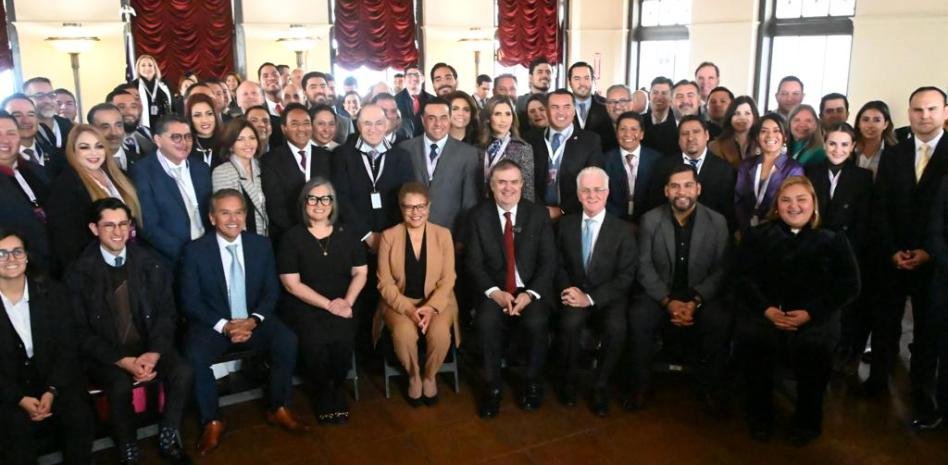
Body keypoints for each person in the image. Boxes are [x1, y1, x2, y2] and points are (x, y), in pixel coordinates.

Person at [180, 190, 308, 455]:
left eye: (238, 212)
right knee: (194, 354)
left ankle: (278, 407)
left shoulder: (260, 245)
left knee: (286, 340)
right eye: (225, 213)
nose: (233, 219)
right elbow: (190, 301)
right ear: (212, 218)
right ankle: (212, 420)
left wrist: (252, 321)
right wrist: (225, 326)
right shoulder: (195, 251)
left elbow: (271, 291)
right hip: (214, 324)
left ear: (246, 216)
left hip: (253, 320)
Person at [735, 176, 859, 445]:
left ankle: (807, 421)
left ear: (813, 204)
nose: (794, 206)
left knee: (815, 349)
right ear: (776, 206)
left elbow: (849, 284)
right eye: (786, 200)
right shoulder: (758, 235)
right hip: (767, 313)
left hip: (814, 317)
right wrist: (766, 309)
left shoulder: (833, 237)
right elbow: (742, 278)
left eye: (801, 199)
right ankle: (760, 417)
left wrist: (810, 313)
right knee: (754, 341)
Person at [67, 198, 192, 465]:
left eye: (123, 224)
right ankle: (128, 446)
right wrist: (121, 360)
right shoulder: (78, 271)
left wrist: (154, 353)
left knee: (182, 371)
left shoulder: (149, 262)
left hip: (147, 345)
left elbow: (166, 313)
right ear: (94, 228)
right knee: (119, 386)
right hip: (107, 353)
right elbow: (78, 331)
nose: (118, 232)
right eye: (109, 225)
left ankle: (169, 434)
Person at [868, 87, 948, 431]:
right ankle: (877, 380)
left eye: (931, 109)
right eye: (917, 109)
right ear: (909, 113)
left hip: (937, 260)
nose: (924, 115)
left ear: (945, 112)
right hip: (894, 255)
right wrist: (891, 250)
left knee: (928, 331)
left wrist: (930, 250)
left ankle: (923, 396)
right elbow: (881, 205)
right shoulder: (895, 153)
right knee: (885, 322)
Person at [631, 164, 731, 414]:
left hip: (700, 295)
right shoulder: (650, 220)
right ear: (666, 191)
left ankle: (711, 389)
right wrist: (668, 301)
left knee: (720, 320)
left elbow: (721, 270)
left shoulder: (718, 222)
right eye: (675, 186)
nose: (681, 191)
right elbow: (643, 266)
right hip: (661, 293)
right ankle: (639, 387)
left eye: (688, 185)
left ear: (698, 189)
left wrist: (695, 301)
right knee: (638, 316)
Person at [466, 160, 556, 418]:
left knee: (537, 323)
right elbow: (473, 263)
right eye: (502, 182)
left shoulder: (537, 214)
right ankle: (493, 387)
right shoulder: (477, 215)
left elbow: (549, 262)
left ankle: (532, 383)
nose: (508, 188)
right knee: (486, 322)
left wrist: (529, 294)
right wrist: (495, 293)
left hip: (530, 290)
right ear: (491, 186)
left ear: (522, 184)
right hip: (494, 290)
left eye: (514, 182)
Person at [0, 229, 94, 465]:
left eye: (17, 251)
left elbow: (68, 347)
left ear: (27, 256)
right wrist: (19, 398)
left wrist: (52, 390)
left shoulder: (53, 292)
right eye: (1, 253)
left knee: (78, 416)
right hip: (8, 387)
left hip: (52, 379)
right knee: (13, 430)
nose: (11, 259)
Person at [278, 178, 367, 423]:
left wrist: (347, 302)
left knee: (342, 343)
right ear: (304, 202)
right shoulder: (292, 237)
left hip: (344, 302)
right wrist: (328, 305)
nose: (319, 204)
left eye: (326, 198)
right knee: (315, 343)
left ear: (333, 203)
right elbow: (291, 284)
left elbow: (361, 272)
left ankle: (336, 387)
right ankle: (323, 393)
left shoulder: (348, 234)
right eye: (313, 199)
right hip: (306, 304)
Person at [554, 167, 637, 416]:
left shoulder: (623, 230)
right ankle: (568, 382)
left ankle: (600, 386)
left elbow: (626, 276)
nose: (592, 195)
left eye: (598, 190)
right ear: (578, 194)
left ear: (607, 192)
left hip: (608, 297)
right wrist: (567, 289)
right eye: (586, 190)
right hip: (573, 292)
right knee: (569, 324)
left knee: (616, 329)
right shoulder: (564, 225)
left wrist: (590, 298)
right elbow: (556, 264)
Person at [375, 182, 460, 406]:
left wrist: (431, 308)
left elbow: (448, 279)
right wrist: (409, 309)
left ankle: (430, 377)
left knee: (440, 334)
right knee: (403, 333)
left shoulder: (443, 235)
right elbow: (385, 283)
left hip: (438, 301)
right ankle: (414, 376)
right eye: (409, 207)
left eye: (420, 206)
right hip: (400, 302)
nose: (415, 212)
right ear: (401, 208)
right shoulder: (388, 236)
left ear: (428, 207)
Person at [804, 123, 873, 374]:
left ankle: (842, 352)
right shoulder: (810, 171)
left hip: (846, 249)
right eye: (832, 143)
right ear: (824, 144)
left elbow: (863, 222)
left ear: (853, 146)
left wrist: (845, 251)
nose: (838, 149)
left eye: (844, 144)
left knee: (843, 307)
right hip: (813, 247)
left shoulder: (863, 177)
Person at [46, 124, 142, 272]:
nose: (93, 153)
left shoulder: (118, 175)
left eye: (99, 146)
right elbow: (67, 244)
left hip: (131, 260)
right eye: (85, 147)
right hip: (95, 270)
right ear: (73, 151)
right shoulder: (65, 186)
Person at [131, 115, 212, 265]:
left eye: (188, 137)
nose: (184, 143)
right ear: (157, 140)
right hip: (168, 258)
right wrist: (184, 253)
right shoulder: (143, 171)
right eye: (176, 137)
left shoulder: (201, 168)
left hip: (206, 251)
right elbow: (148, 225)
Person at [332, 104, 414, 252]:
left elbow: (407, 197)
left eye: (379, 123)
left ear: (386, 125)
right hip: (354, 238)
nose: (373, 129)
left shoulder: (402, 156)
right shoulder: (342, 155)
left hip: (394, 237)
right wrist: (367, 235)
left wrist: (390, 234)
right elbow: (341, 198)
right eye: (367, 123)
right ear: (358, 126)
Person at [400, 97, 479, 235]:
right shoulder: (404, 149)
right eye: (431, 118)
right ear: (422, 120)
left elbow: (470, 201)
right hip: (409, 232)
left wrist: (461, 238)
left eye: (443, 118)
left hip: (450, 234)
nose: (438, 124)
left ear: (450, 119)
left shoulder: (468, 154)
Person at [527, 89, 604, 220]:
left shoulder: (590, 141)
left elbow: (591, 183)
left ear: (574, 111)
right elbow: (527, 180)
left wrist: (562, 210)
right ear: (547, 110)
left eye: (566, 107)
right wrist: (541, 211)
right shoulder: (531, 140)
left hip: (573, 216)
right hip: (537, 215)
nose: (561, 112)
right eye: (555, 107)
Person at [261, 103, 332, 242]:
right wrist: (304, 235)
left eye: (306, 123)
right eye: (295, 124)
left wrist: (321, 229)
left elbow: (332, 199)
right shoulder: (270, 160)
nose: (301, 129)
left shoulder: (327, 157)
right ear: (284, 128)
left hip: (325, 234)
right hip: (288, 237)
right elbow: (275, 206)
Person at [652, 115, 736, 229]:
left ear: (707, 135)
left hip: (710, 233)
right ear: (678, 139)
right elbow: (656, 205)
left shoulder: (724, 169)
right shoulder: (663, 167)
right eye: (684, 134)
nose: (690, 138)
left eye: (696, 132)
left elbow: (728, 213)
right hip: (670, 231)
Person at [735, 114, 804, 232]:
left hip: (778, 232)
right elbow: (738, 200)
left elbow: (792, 206)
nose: (770, 135)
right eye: (764, 131)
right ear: (757, 137)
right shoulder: (746, 165)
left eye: (776, 131)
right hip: (746, 230)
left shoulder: (794, 169)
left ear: (785, 136)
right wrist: (744, 228)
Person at [0, 113, 50, 272]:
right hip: (14, 268)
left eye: (11, 133)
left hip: (54, 262)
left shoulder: (38, 170)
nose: (5, 140)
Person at [602, 111, 662, 224]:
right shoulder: (604, 160)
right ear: (616, 133)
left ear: (642, 134)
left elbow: (658, 196)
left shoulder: (656, 160)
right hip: (614, 222)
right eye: (623, 129)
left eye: (634, 129)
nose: (627, 134)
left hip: (649, 221)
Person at [212, 118, 269, 236]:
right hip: (239, 237)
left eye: (252, 138)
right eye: (240, 139)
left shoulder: (262, 167)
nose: (248, 144)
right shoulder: (223, 172)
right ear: (230, 145)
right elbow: (225, 215)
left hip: (266, 236)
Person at [477, 96, 536, 202]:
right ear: (488, 118)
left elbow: (528, 190)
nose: (503, 120)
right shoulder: (478, 147)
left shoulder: (523, 148)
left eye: (508, 114)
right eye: (497, 114)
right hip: (480, 206)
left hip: (509, 206)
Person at [3, 93, 66, 178]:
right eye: (17, 115)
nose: (26, 121)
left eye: (31, 114)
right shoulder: (4, 162)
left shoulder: (53, 152)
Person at [568, 62, 617, 151]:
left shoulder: (606, 106)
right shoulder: (562, 107)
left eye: (587, 78)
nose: (582, 83)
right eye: (577, 78)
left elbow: (612, 141)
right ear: (570, 82)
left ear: (593, 80)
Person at [89, 102, 146, 172]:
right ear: (92, 130)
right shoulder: (86, 165)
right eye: (105, 127)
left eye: (118, 125)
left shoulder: (142, 162)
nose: (114, 133)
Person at [301, 71, 354, 144]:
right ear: (304, 92)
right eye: (313, 87)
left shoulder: (346, 123)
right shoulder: (297, 121)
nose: (319, 91)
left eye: (323, 86)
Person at [23, 77, 74, 151]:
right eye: (39, 96)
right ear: (27, 100)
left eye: (51, 95)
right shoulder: (26, 131)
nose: (48, 101)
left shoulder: (68, 126)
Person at [709, 95, 759, 167]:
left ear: (754, 117)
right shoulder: (715, 146)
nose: (742, 118)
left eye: (747, 113)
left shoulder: (761, 144)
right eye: (737, 113)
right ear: (730, 117)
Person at [853, 100, 897, 180]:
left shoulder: (895, 153)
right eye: (865, 120)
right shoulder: (849, 148)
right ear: (858, 123)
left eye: (877, 120)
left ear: (886, 124)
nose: (870, 125)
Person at [107, 88, 157, 158]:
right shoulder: (101, 143)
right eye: (121, 107)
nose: (129, 112)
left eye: (133, 107)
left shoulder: (147, 133)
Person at [130, 55, 173, 130]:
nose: (147, 68)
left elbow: (171, 106)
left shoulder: (163, 85)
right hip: (143, 128)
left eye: (150, 65)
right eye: (143, 65)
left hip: (164, 127)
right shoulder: (133, 86)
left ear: (155, 68)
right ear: (138, 69)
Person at [642, 76, 679, 158]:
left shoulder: (678, 124)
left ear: (671, 97)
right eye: (655, 93)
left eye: (664, 93)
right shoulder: (639, 122)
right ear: (649, 95)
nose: (659, 97)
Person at [395, 65, 433, 137]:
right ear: (404, 79)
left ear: (423, 79)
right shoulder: (395, 101)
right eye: (409, 75)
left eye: (417, 75)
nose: (414, 78)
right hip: (403, 141)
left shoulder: (433, 100)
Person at [186, 93, 223, 168]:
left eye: (209, 114)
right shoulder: (185, 145)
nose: (205, 120)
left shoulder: (227, 142)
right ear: (190, 118)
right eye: (197, 115)